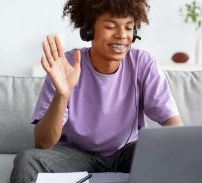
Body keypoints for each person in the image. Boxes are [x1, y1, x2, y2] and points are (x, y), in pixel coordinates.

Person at [10, 0, 182, 182]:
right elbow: (43, 144)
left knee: (172, 157)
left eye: (129, 28)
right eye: (110, 26)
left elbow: (171, 120)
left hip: (127, 152)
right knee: (27, 161)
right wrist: (62, 95)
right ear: (89, 30)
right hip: (76, 153)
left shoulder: (142, 63)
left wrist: (184, 149)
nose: (122, 35)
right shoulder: (65, 66)